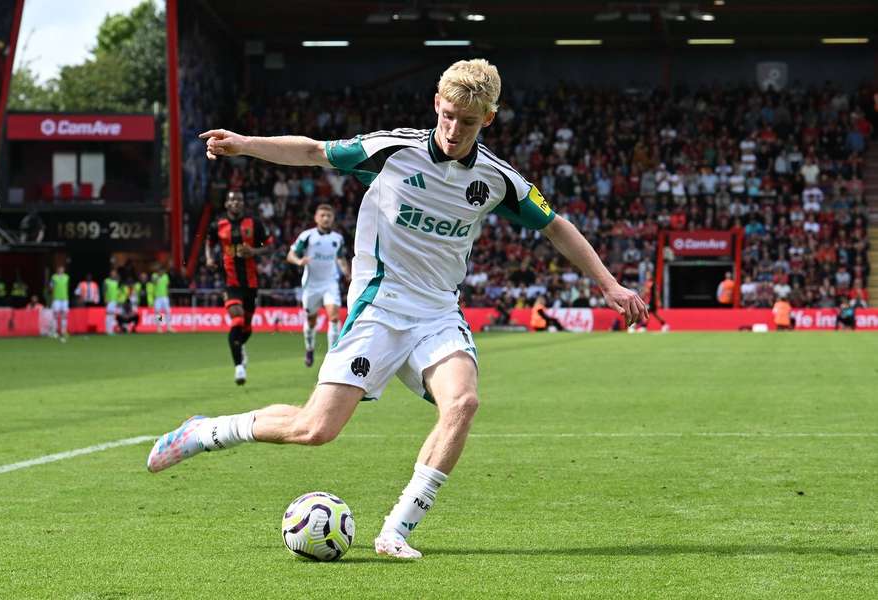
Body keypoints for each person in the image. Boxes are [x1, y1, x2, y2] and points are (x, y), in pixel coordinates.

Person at [149, 59, 646, 560]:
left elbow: (555, 224)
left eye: (468, 121)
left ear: (488, 119)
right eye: (448, 115)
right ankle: (207, 431)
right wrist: (247, 145)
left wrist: (608, 286)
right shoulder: (394, 150)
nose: (454, 129)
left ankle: (397, 530)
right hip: (379, 308)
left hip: (437, 314)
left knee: (463, 403)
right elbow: (315, 152)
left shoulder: (498, 180)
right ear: (436, 103)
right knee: (314, 430)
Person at [204, 190, 273, 384]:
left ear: (243, 204)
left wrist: (254, 250)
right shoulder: (218, 224)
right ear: (226, 204)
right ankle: (239, 367)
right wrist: (209, 257)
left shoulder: (254, 223)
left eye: (239, 200)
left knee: (247, 327)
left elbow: (270, 245)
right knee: (236, 319)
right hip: (230, 281)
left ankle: (239, 346)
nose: (235, 203)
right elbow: (208, 241)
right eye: (232, 200)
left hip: (250, 282)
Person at [287, 204, 350, 366]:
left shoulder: (338, 238)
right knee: (311, 320)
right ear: (316, 218)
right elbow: (290, 255)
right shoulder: (307, 236)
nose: (326, 218)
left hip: (330, 283)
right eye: (322, 215)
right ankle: (309, 348)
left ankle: (332, 356)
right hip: (311, 285)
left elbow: (341, 258)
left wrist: (347, 272)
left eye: (329, 216)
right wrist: (299, 261)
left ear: (333, 218)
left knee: (334, 317)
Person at [151, 265, 174, 333]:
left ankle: (169, 327)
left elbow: (167, 285)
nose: (162, 272)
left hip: (165, 297)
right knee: (158, 312)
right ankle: (159, 327)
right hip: (157, 297)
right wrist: (158, 276)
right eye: (160, 270)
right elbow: (153, 282)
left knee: (168, 311)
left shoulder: (166, 276)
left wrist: (169, 295)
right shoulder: (154, 275)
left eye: (162, 271)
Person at [49, 265, 70, 340]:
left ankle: (63, 331)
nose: (61, 270)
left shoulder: (66, 277)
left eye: (62, 269)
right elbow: (51, 287)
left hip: (64, 298)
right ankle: (54, 331)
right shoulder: (54, 277)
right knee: (55, 314)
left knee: (64, 315)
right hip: (56, 298)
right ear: (57, 270)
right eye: (59, 269)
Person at [103, 269, 120, 335]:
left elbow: (117, 291)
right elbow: (104, 290)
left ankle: (111, 330)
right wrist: (105, 299)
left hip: (115, 300)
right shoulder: (107, 281)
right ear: (110, 274)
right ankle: (108, 330)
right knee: (109, 315)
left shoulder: (116, 281)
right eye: (112, 273)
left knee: (112, 316)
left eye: (114, 273)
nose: (113, 274)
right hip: (109, 300)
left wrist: (118, 300)